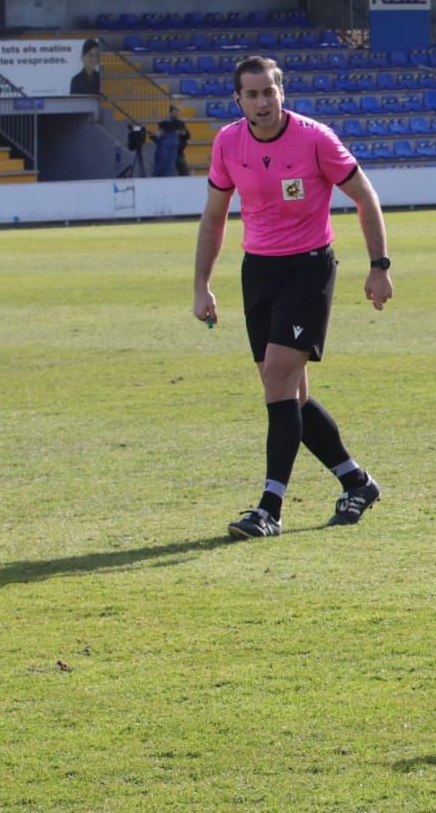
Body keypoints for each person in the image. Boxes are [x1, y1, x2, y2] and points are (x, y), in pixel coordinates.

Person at [193, 55, 393, 539]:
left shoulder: (315, 138)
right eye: (252, 94)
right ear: (237, 99)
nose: (262, 102)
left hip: (308, 268)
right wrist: (201, 284)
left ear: (283, 93)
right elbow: (215, 216)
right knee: (289, 393)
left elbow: (365, 196)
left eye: (270, 92)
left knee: (279, 380)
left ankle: (269, 508)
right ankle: (356, 481)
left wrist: (379, 266)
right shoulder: (227, 142)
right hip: (258, 272)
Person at [153, 104, 191, 177]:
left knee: (184, 172)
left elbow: (188, 135)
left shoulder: (180, 122)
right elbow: (160, 134)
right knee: (168, 169)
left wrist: (183, 133)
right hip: (169, 150)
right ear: (172, 111)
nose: (178, 112)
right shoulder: (164, 122)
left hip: (178, 151)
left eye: (178, 111)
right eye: (176, 110)